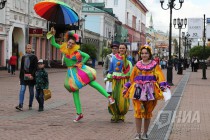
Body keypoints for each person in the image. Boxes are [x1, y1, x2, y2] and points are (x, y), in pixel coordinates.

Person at [48, 27, 115, 122]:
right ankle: (79, 113)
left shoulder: (76, 52)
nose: (70, 44)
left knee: (92, 83)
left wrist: (81, 63)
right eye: (69, 42)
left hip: (79, 71)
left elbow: (87, 56)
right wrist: (52, 34)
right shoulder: (63, 48)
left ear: (74, 44)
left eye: (72, 43)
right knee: (75, 93)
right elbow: (53, 43)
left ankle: (109, 97)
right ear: (67, 42)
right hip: (71, 73)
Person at [123, 44, 169, 140]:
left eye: (146, 53)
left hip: (150, 92)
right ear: (140, 54)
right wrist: (127, 87)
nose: (144, 55)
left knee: (148, 112)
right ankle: (138, 134)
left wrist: (163, 86)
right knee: (138, 111)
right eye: (142, 53)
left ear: (149, 54)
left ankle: (145, 133)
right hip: (138, 91)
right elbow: (132, 78)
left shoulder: (155, 65)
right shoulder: (137, 65)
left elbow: (160, 76)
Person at [107, 43, 133, 122]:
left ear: (126, 49)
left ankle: (121, 115)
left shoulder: (128, 58)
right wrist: (109, 76)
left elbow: (130, 69)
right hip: (115, 80)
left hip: (123, 80)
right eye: (120, 48)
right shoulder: (114, 58)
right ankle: (114, 114)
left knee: (122, 98)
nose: (121, 49)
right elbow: (111, 68)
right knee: (114, 97)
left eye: (123, 48)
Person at [15, 44, 38, 111]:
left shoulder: (34, 57)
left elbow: (35, 68)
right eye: (28, 48)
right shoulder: (23, 57)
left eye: (30, 48)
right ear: (26, 49)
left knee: (31, 91)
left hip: (31, 76)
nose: (29, 49)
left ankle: (30, 104)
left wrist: (32, 75)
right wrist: (20, 77)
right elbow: (22, 68)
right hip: (24, 76)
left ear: (32, 49)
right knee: (22, 90)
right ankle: (20, 105)